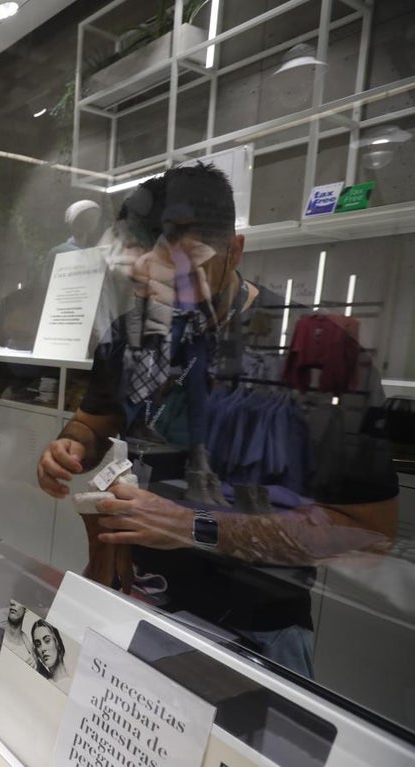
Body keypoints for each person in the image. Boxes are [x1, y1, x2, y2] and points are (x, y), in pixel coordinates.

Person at [35, 164, 398, 678]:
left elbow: (369, 535)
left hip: (257, 631)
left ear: (236, 251)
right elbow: (93, 422)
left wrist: (196, 527)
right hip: (133, 602)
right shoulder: (129, 334)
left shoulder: (319, 353)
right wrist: (69, 446)